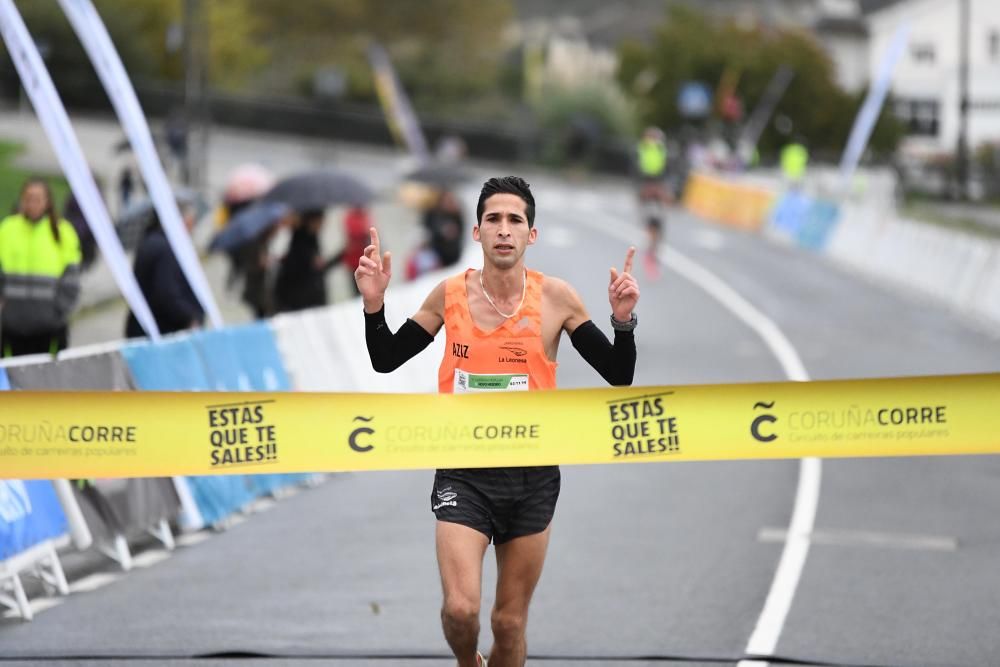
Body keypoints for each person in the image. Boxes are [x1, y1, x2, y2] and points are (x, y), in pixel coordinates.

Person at [355, 176, 639, 666]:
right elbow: (386, 358)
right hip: (464, 475)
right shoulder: (450, 295)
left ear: (531, 235)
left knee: (508, 624)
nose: (503, 230)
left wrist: (622, 322)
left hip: (531, 480)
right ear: (477, 232)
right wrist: (374, 304)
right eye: (493, 220)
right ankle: (469, 663)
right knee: (461, 610)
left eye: (515, 221)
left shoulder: (557, 299)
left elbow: (619, 375)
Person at [0, 179, 82, 357]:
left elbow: (72, 280)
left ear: (47, 201)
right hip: (11, 329)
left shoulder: (63, 232)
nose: (32, 203)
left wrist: (58, 312)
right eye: (28, 198)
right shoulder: (7, 229)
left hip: (48, 329)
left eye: (37, 198)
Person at [124, 203, 204, 338]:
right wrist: (190, 317)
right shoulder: (165, 248)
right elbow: (167, 293)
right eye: (190, 222)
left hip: (144, 327)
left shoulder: (150, 241)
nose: (192, 228)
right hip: (162, 330)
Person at [273, 209, 338, 312]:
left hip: (309, 299)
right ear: (311, 221)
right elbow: (300, 270)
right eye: (320, 221)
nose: (322, 225)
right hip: (299, 302)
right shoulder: (300, 242)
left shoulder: (312, 239)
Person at [635, 127, 671, 278]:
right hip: (647, 191)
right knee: (651, 223)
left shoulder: (662, 150)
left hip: (658, 190)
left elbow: (666, 170)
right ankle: (650, 255)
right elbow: (635, 172)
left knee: (660, 225)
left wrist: (664, 190)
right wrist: (643, 190)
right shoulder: (641, 150)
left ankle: (653, 253)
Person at [422, 190, 465, 269]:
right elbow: (429, 227)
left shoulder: (456, 214)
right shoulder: (434, 213)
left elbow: (461, 232)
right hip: (437, 252)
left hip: (452, 254)